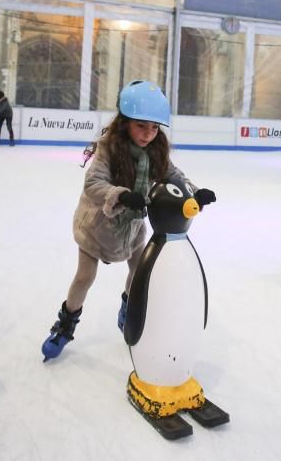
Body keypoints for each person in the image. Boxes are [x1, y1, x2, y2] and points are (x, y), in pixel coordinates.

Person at [41, 80, 215, 361]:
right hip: (97, 227)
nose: (148, 134)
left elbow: (174, 176)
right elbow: (93, 183)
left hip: (132, 229)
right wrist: (119, 195)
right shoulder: (108, 149)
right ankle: (65, 324)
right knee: (85, 277)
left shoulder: (156, 152)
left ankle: (128, 308)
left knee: (138, 275)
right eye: (141, 126)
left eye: (154, 128)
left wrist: (194, 192)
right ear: (125, 123)